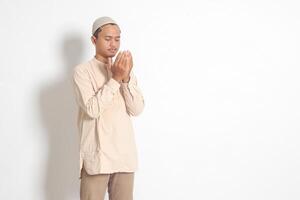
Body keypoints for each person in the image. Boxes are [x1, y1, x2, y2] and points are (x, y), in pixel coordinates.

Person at [72, 16, 145, 200]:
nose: (113, 44)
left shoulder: (124, 69)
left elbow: (136, 109)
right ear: (94, 40)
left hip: (124, 156)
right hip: (98, 156)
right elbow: (92, 109)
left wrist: (126, 78)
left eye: (117, 39)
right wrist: (115, 79)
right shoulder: (82, 71)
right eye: (108, 38)